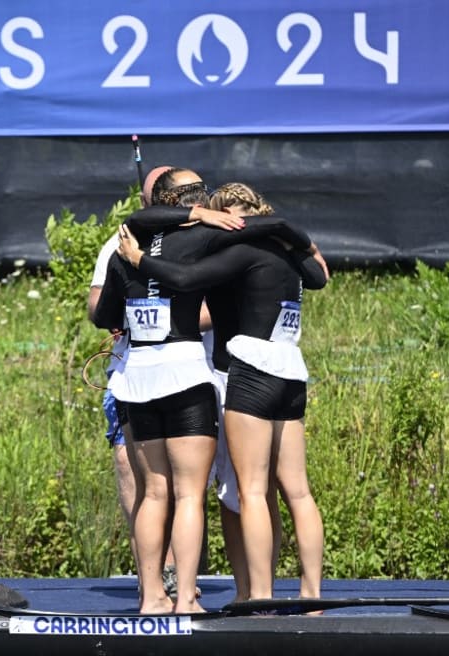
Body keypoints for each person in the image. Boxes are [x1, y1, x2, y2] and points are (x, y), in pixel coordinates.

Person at [118, 180, 327, 601]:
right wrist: (294, 236)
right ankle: (311, 595)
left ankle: (259, 598)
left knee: (249, 492)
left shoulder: (240, 252)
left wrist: (139, 260)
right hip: (290, 370)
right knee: (297, 490)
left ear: (235, 218)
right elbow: (319, 275)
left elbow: (183, 277)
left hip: (249, 373)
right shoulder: (289, 256)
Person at [93, 168, 222, 614]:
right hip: (184, 372)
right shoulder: (201, 238)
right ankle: (186, 598)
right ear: (193, 203)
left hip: (137, 377)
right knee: (188, 494)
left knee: (153, 493)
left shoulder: (120, 247)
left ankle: (152, 598)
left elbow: (102, 314)